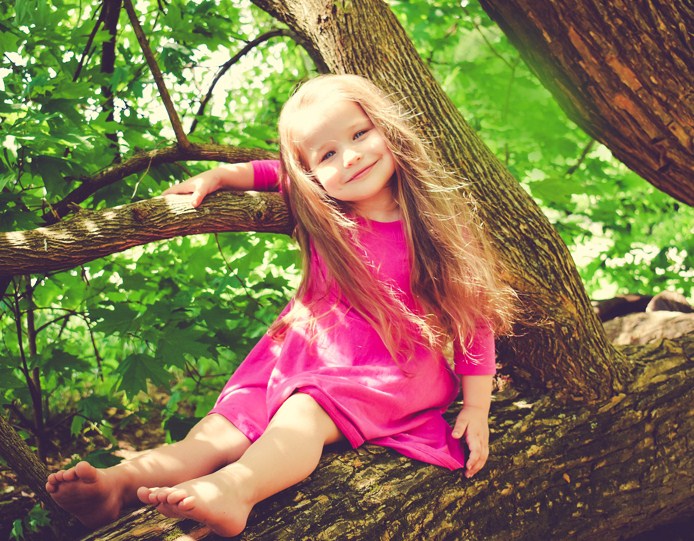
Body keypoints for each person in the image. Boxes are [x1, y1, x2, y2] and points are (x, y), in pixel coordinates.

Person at [46, 74, 515, 537]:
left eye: (359, 134)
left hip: (386, 370)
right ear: (312, 175)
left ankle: (237, 490)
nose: (350, 157)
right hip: (296, 356)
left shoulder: (435, 226)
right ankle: (118, 486)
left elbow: (472, 319)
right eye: (328, 154)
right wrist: (224, 174)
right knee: (220, 429)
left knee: (303, 414)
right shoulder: (324, 212)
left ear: (387, 128)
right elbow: (275, 172)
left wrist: (476, 406)